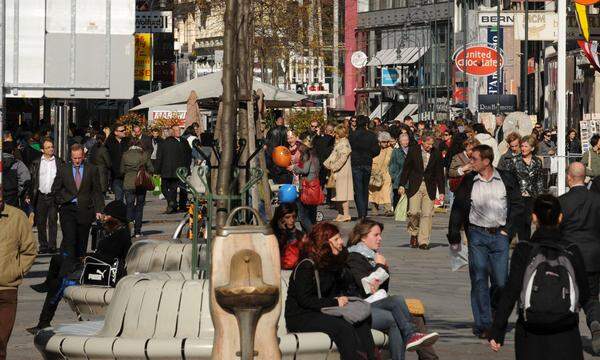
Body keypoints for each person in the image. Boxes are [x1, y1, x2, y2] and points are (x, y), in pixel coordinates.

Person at [488, 195, 590, 360]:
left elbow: (511, 291)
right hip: (566, 332)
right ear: (560, 217)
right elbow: (585, 294)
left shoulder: (524, 250)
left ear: (534, 217)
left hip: (530, 333)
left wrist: (498, 329)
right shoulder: (572, 250)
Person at [448, 144, 523, 338]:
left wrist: (508, 230)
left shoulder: (505, 179)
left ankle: (495, 312)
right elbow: (458, 207)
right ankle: (483, 324)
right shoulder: (469, 181)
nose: (470, 162)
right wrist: (454, 235)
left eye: (474, 159)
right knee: (479, 279)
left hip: (500, 236)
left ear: (486, 161)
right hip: (477, 235)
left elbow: (517, 205)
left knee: (501, 281)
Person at [27, 200, 131, 334]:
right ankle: (47, 286)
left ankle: (43, 321)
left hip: (100, 273)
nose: (103, 218)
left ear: (115, 218)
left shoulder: (121, 235)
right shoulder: (114, 231)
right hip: (93, 266)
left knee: (59, 283)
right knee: (58, 258)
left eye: (106, 216)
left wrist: (87, 259)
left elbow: (111, 259)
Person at [346, 219, 440, 360]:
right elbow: (367, 288)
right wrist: (380, 267)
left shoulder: (373, 257)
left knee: (416, 317)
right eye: (376, 235)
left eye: (380, 235)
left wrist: (381, 267)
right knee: (397, 304)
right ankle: (410, 336)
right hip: (362, 305)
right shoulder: (354, 257)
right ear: (363, 237)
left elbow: (382, 289)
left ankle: (427, 355)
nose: (380, 238)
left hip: (377, 302)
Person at [285, 222, 376, 360]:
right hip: (301, 316)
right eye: (336, 239)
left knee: (360, 322)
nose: (341, 242)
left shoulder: (329, 263)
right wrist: (334, 302)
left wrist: (340, 258)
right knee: (343, 328)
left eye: (340, 238)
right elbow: (305, 300)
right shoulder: (306, 265)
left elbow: (343, 284)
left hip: (322, 311)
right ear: (324, 243)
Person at [559, 162, 600, 352]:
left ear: (569, 177)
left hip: (569, 256)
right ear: (585, 178)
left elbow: (555, 230)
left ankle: (569, 336)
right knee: (591, 297)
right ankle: (595, 321)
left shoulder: (561, 201)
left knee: (569, 297)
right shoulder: (597, 200)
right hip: (592, 256)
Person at [0, 185, 37, 360]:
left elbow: (29, 250)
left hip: (7, 289)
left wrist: (17, 270)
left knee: (0, 343)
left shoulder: (17, 217)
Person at [52, 144, 105, 259]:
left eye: (79, 158)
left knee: (82, 241)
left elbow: (97, 191)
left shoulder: (92, 169)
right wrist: (62, 200)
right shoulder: (63, 169)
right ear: (71, 157)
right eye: (74, 158)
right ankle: (69, 265)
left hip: (85, 210)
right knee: (70, 239)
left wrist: (99, 210)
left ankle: (80, 265)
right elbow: (56, 189)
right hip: (68, 209)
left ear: (83, 156)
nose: (77, 161)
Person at [399, 132, 445, 250]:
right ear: (422, 142)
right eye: (428, 144)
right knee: (413, 212)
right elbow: (406, 169)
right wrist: (402, 184)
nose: (430, 146)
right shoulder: (413, 150)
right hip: (415, 185)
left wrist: (442, 191)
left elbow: (439, 173)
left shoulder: (436, 153)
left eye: (432, 144)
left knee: (427, 214)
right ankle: (414, 232)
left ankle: (423, 241)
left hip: (429, 186)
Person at [505, 135, 544, 241]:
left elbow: (539, 181)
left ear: (532, 148)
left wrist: (540, 200)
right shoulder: (513, 161)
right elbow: (508, 181)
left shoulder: (537, 162)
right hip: (517, 198)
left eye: (526, 146)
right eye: (522, 146)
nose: (523, 148)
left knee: (526, 224)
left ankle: (524, 249)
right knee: (513, 225)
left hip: (531, 198)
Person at [30, 138, 63, 254]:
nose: (51, 149)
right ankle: (43, 245)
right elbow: (33, 179)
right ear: (42, 150)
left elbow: (61, 179)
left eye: (52, 147)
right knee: (40, 222)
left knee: (53, 221)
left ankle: (52, 246)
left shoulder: (59, 162)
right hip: (40, 195)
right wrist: (30, 195)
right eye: (48, 147)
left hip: (53, 195)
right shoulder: (36, 162)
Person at [121, 138, 154, 237]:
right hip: (140, 183)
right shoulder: (144, 154)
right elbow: (151, 168)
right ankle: (137, 231)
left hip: (128, 183)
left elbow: (121, 170)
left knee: (129, 206)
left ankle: (128, 229)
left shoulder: (125, 155)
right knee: (139, 207)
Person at [349, 115, 380, 219]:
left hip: (356, 163)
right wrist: (370, 154)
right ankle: (364, 211)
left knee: (358, 188)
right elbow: (377, 150)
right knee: (365, 187)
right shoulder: (371, 135)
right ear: (366, 124)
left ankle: (361, 212)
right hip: (367, 162)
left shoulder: (352, 135)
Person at [156, 125, 192, 214]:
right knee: (173, 188)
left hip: (173, 170)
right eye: (176, 130)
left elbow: (188, 155)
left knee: (173, 188)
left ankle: (173, 204)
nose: (178, 132)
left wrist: (157, 170)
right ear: (172, 131)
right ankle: (175, 204)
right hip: (177, 170)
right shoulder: (167, 142)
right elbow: (160, 157)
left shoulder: (182, 141)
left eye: (179, 130)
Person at [288, 142, 321, 232]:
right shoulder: (315, 156)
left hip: (307, 187)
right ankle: (308, 236)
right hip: (315, 185)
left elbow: (304, 170)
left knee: (302, 215)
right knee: (312, 214)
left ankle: (312, 233)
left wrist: (294, 168)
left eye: (300, 145)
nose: (299, 147)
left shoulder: (307, 156)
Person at [324, 124, 353, 222]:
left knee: (343, 194)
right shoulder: (339, 142)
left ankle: (346, 214)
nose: (334, 134)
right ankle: (340, 213)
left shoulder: (344, 143)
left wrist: (334, 167)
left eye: (336, 132)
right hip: (337, 172)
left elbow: (343, 158)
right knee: (337, 194)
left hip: (342, 171)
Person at [270, 202, 305, 270]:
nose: (292, 220)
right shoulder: (271, 234)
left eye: (294, 217)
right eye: (287, 217)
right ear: (280, 218)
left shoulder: (299, 234)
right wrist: (282, 234)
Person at [369, 132, 394, 216]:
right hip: (375, 173)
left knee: (386, 191)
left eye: (386, 141)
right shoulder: (375, 149)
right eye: (383, 141)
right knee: (375, 190)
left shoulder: (391, 150)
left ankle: (388, 209)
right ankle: (374, 209)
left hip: (386, 173)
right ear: (379, 141)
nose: (385, 143)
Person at [2, 141, 31, 209]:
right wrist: (19, 192)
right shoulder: (18, 164)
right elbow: (25, 180)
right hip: (13, 198)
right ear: (12, 151)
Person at [105, 124, 129, 201]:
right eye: (122, 130)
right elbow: (106, 157)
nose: (124, 131)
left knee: (129, 199)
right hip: (116, 175)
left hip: (128, 174)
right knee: (119, 198)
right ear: (116, 132)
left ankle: (128, 213)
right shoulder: (109, 142)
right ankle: (119, 212)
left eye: (125, 130)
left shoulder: (128, 141)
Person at [389, 133, 410, 207]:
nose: (405, 142)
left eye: (407, 140)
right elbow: (392, 165)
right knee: (397, 197)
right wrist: (394, 177)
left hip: (409, 179)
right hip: (398, 178)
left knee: (407, 197)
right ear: (400, 141)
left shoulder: (411, 150)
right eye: (403, 140)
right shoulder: (396, 151)